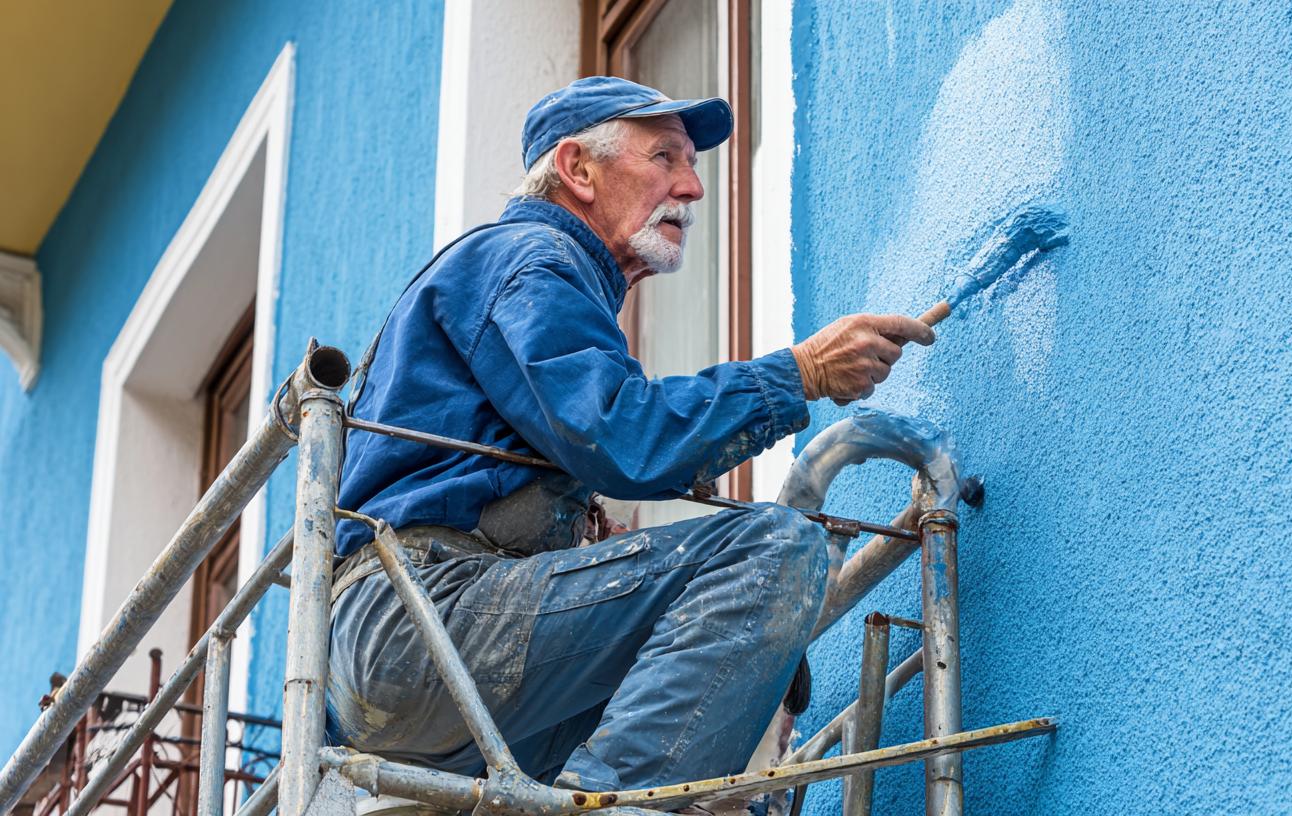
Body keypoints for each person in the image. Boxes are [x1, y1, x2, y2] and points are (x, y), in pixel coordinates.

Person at [326, 76, 934, 800]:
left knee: (705, 685)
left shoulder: (521, 274)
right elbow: (621, 432)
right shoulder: (532, 260)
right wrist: (799, 373)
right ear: (577, 169)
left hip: (402, 665)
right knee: (778, 549)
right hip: (419, 625)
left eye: (694, 166)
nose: (692, 187)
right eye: (666, 157)